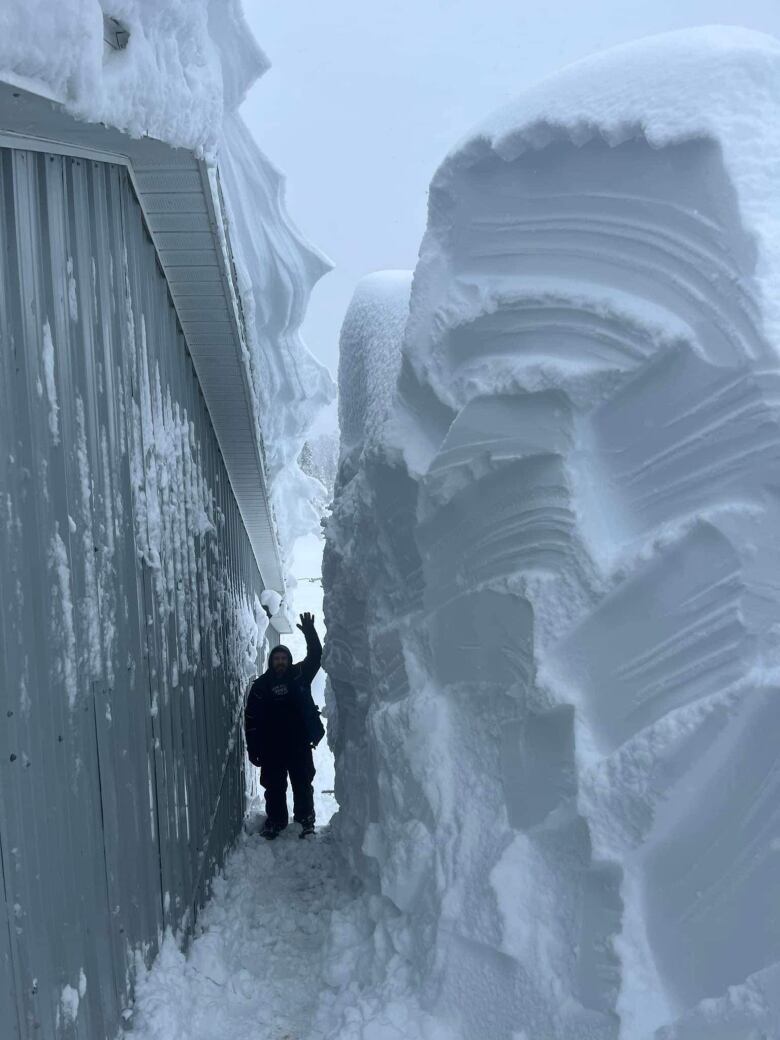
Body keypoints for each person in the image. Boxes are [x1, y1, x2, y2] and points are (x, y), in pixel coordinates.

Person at [244, 612, 326, 839]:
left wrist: (310, 632)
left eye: (284, 658)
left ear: (289, 660)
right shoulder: (261, 686)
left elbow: (316, 656)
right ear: (271, 662)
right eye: (276, 659)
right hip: (272, 748)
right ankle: (276, 821)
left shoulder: (299, 675)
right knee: (274, 787)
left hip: (299, 744)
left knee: (302, 784)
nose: (280, 662)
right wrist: (254, 749)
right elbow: (250, 720)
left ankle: (305, 821)